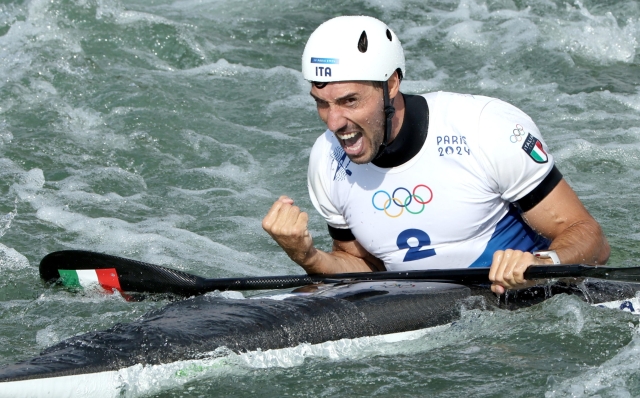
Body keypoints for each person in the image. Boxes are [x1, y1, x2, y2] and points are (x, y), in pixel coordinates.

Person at [262, 16, 610, 295]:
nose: (334, 122)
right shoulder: (326, 159)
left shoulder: (483, 128)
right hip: (418, 310)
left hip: (522, 302)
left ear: (391, 84)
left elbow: (591, 239)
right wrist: (307, 256)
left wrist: (543, 264)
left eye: (349, 101)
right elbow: (363, 269)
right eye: (322, 104)